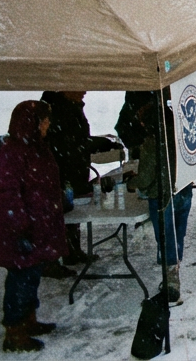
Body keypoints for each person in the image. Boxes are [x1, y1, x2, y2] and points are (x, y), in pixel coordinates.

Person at [0, 101, 65, 352]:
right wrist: (20, 228)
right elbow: (8, 194)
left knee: (30, 277)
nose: (48, 124)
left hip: (35, 227)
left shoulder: (36, 148)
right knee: (19, 281)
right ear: (32, 122)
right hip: (19, 230)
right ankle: (14, 332)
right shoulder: (14, 151)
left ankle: (28, 321)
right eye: (44, 120)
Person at [39, 90, 118, 270]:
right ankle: (51, 260)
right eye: (79, 87)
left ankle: (71, 251)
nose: (84, 91)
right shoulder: (58, 110)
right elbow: (69, 144)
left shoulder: (72, 107)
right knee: (58, 213)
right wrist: (95, 144)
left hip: (74, 168)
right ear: (65, 90)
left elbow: (77, 141)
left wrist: (95, 143)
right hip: (62, 170)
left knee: (74, 211)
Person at [134, 89, 194, 304]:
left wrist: (133, 181)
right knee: (178, 232)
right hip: (183, 189)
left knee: (166, 236)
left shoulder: (152, 143)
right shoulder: (182, 136)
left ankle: (170, 278)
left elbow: (145, 180)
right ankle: (174, 267)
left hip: (162, 196)